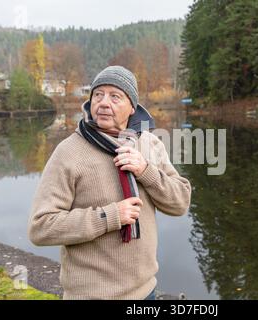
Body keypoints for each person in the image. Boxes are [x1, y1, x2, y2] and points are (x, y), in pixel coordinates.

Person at [28, 65, 192, 300]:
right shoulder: (68, 152)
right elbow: (40, 227)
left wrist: (146, 171)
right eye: (98, 95)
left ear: (132, 107)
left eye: (115, 96)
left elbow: (180, 203)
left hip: (146, 293)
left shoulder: (149, 144)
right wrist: (109, 216)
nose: (104, 103)